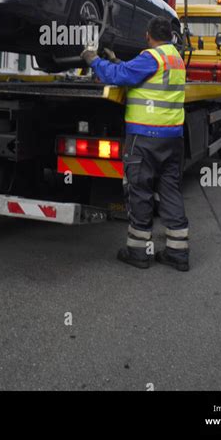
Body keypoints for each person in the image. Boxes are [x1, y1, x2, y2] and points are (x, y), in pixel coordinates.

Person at [81, 17, 189, 271]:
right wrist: (117, 60)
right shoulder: (175, 58)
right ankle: (178, 253)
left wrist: (93, 59)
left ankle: (138, 252)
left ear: (148, 35)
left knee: (139, 190)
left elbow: (120, 76)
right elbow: (140, 76)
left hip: (145, 137)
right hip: (172, 138)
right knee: (170, 190)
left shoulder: (152, 56)